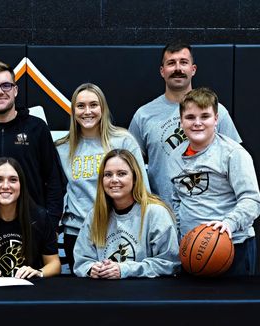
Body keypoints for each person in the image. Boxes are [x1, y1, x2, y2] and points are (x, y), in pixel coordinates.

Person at [128, 42, 241, 208]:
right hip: (162, 214)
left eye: (183, 62)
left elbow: (236, 163)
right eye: (171, 63)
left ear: (193, 69)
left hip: (208, 214)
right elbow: (130, 163)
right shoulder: (143, 115)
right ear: (162, 71)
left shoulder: (217, 112)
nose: (178, 68)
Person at [166, 88, 260, 276]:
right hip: (192, 249)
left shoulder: (233, 153)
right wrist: (183, 235)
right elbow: (176, 200)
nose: (197, 123)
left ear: (216, 119)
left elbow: (252, 200)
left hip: (232, 246)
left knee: (233, 306)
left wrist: (229, 223)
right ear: (181, 121)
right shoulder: (174, 157)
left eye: (205, 116)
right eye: (190, 117)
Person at [0, 61, 65, 228]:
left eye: (6, 85)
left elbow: (54, 181)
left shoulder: (37, 128)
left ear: (15, 90)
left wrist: (50, 223)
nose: (0, 92)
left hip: (32, 227)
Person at [56, 82, 150, 267]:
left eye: (93, 105)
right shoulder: (62, 148)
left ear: (103, 108)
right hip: (77, 234)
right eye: (81, 106)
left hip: (118, 232)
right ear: (73, 111)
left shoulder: (123, 140)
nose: (87, 111)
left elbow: (143, 190)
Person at [73, 149, 179, 279]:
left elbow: (170, 263)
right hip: (104, 293)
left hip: (144, 294)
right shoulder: (95, 215)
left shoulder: (155, 213)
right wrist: (91, 269)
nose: (114, 180)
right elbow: (82, 261)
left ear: (135, 178)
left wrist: (125, 269)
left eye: (121, 174)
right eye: (108, 175)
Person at [0, 158, 61, 282]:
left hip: (31, 292)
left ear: (22, 185)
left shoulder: (40, 217)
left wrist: (39, 272)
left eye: (13, 180)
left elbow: (54, 264)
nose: (5, 186)